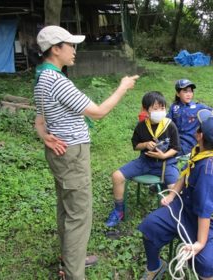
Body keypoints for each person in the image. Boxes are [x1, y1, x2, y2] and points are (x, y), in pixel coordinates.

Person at [33, 25, 139, 279]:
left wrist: (44, 136)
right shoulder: (57, 81)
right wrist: (123, 87)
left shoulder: (41, 77)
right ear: (55, 49)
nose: (74, 50)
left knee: (66, 207)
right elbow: (99, 112)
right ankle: (73, 273)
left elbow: (39, 120)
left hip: (60, 153)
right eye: (70, 45)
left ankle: (71, 257)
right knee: (79, 215)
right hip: (72, 156)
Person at [138, 109, 213, 280]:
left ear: (199, 135)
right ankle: (155, 267)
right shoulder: (201, 151)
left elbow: (205, 209)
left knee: (207, 266)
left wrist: (200, 243)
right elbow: (185, 173)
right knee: (150, 227)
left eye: (199, 127)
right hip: (185, 207)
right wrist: (172, 195)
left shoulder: (209, 169)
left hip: (208, 220)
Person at [106, 91, 180, 227]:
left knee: (175, 189)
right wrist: (145, 144)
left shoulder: (170, 125)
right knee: (117, 176)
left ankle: (172, 216)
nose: (160, 111)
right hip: (145, 162)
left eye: (162, 108)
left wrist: (163, 156)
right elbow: (135, 146)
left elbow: (175, 148)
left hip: (166, 164)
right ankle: (118, 210)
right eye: (155, 109)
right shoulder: (141, 126)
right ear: (146, 110)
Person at [167, 79, 213, 156]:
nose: (188, 94)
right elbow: (167, 123)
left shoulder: (198, 107)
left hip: (189, 143)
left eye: (190, 91)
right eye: (185, 91)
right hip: (176, 140)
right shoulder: (174, 107)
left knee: (168, 154)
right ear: (177, 94)